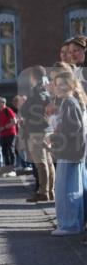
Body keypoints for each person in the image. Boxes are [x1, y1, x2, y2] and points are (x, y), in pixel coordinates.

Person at [45, 67, 86, 236]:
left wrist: (53, 136)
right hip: (71, 152)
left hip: (71, 153)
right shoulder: (68, 103)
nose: (59, 87)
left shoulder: (69, 103)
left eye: (63, 84)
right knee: (69, 188)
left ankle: (70, 225)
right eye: (57, 84)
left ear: (72, 85)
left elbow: (73, 129)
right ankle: (72, 223)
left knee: (67, 190)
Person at [19, 66, 54, 203]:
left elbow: (26, 110)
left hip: (36, 130)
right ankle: (50, 190)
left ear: (33, 76)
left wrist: (24, 106)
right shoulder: (46, 89)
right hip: (47, 129)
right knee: (48, 162)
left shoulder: (36, 91)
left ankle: (43, 191)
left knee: (41, 162)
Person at [0, 95, 18, 176]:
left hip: (10, 133)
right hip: (2, 135)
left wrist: (4, 127)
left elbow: (14, 122)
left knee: (10, 150)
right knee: (5, 152)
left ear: (2, 103)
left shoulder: (8, 110)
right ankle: (8, 169)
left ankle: (13, 170)